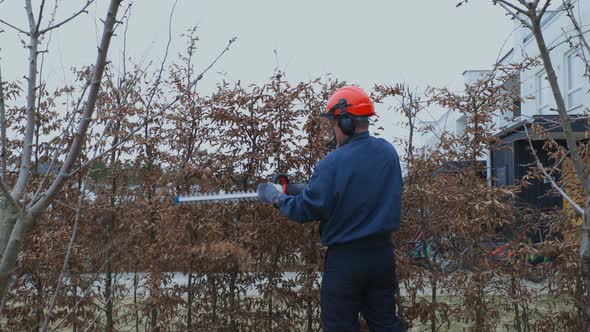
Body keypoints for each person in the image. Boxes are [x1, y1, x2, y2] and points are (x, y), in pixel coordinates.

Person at [257, 86, 405, 332]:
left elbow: (305, 209)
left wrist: (276, 197)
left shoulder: (332, 163)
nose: (333, 130)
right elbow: (358, 189)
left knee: (339, 327)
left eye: (334, 123)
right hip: (381, 257)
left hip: (346, 261)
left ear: (346, 121)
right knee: (386, 324)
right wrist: (298, 188)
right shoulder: (387, 152)